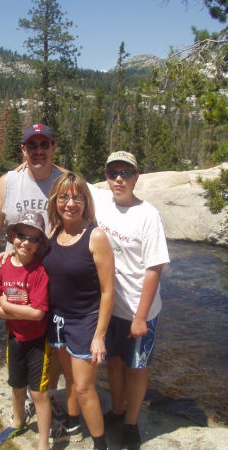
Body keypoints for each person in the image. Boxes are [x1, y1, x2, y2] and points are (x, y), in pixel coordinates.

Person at [0, 123, 64, 423]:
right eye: (32, 146)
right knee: (18, 332)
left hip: (53, 271)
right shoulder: (8, 182)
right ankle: (26, 394)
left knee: (52, 337)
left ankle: (45, 395)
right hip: (15, 271)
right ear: (23, 150)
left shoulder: (63, 181)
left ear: (53, 148)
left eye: (44, 145)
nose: (38, 150)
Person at [89, 151, 170, 448]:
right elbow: (70, 179)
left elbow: (154, 268)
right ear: (107, 177)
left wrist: (140, 317)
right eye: (113, 173)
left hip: (140, 309)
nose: (119, 178)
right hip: (110, 306)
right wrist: (33, 160)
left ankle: (132, 423)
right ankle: (118, 410)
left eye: (125, 173)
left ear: (136, 176)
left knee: (136, 367)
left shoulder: (148, 215)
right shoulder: (102, 202)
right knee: (112, 362)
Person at [42, 172, 115, 450]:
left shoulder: (95, 237)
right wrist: (6, 257)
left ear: (86, 201)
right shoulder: (54, 232)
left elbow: (108, 291)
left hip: (84, 321)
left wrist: (99, 335)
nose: (70, 203)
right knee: (70, 378)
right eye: (64, 197)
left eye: (77, 197)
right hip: (57, 320)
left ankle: (100, 444)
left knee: (84, 388)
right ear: (55, 201)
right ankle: (73, 421)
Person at [0, 210, 51, 450]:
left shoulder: (39, 272)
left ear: (39, 245)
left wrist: (7, 305)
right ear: (12, 236)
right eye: (21, 235)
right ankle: (18, 421)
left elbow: (38, 314)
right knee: (16, 385)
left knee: (39, 394)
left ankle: (43, 442)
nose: (26, 242)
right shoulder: (2, 268)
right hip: (14, 338)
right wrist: (5, 308)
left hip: (37, 342)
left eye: (33, 239)